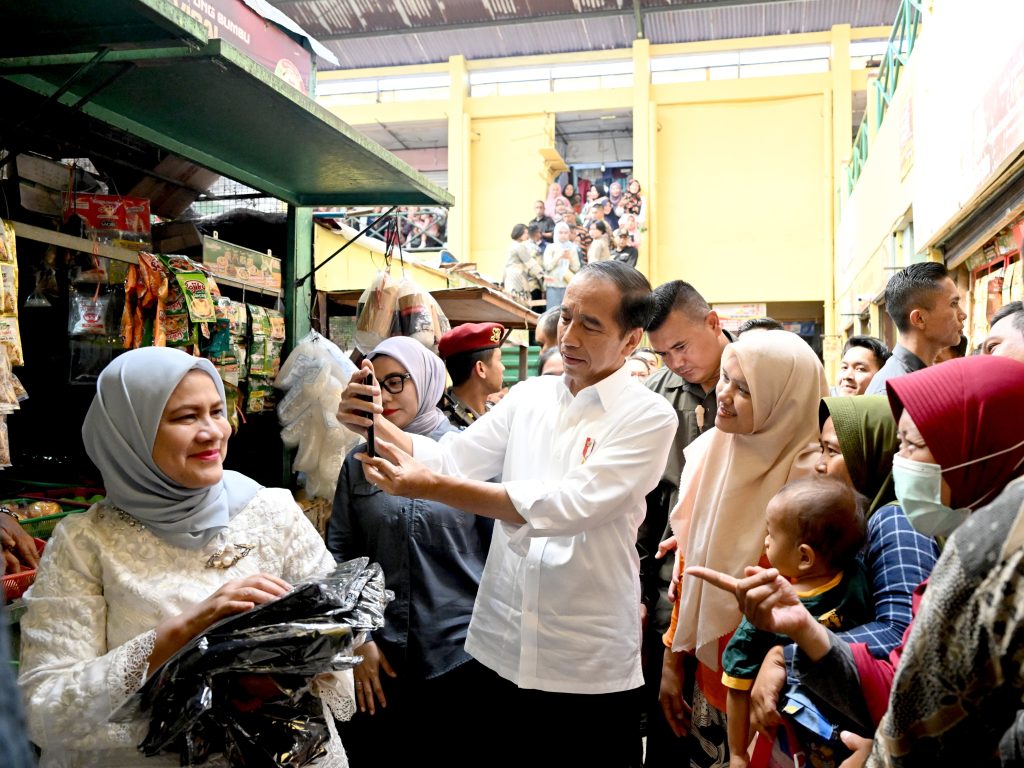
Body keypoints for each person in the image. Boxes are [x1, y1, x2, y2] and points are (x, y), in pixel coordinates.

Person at [337, 262, 678, 765]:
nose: (569, 334)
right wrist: (372, 425)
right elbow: (452, 457)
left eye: (591, 325)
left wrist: (432, 486)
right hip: (502, 644)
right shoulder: (529, 396)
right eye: (567, 317)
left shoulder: (648, 416)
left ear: (630, 342)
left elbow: (568, 505)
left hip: (584, 657)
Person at [18, 347, 352, 766]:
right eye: (185, 417)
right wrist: (189, 626)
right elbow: (45, 707)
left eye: (216, 411)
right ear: (130, 432)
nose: (213, 431)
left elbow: (340, 636)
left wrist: (279, 675)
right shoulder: (85, 544)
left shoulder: (272, 510)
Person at [710, 355, 1024, 768]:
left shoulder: (955, 542)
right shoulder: (972, 535)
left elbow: (908, 656)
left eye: (912, 445)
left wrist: (787, 655)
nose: (901, 462)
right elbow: (909, 677)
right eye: (898, 446)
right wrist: (803, 631)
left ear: (975, 446)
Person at [660, 330, 829, 767]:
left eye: (745, 388)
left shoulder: (813, 481)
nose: (724, 395)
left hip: (773, 689)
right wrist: (672, 663)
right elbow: (688, 570)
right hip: (712, 673)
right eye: (726, 379)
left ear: (784, 399)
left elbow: (818, 597)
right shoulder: (711, 453)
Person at [327, 337, 492, 767]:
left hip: (460, 654)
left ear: (426, 381)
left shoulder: (467, 454)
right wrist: (359, 638)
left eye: (396, 381)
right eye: (373, 384)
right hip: (379, 660)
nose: (383, 395)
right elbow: (341, 555)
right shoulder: (359, 461)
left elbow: (498, 556)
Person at [644, 280, 735, 767]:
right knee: (670, 736)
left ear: (713, 322)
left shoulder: (758, 377)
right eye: (662, 353)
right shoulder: (658, 396)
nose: (675, 362)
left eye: (681, 346)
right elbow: (645, 507)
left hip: (737, 599)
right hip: (670, 595)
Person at [722, 477, 871, 768]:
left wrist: (738, 753)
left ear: (804, 557)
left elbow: (738, 684)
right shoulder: (858, 578)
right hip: (853, 735)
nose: (765, 541)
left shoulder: (767, 610)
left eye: (771, 534)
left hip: (789, 742)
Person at [865, 263, 965, 394]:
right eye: (954, 304)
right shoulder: (892, 393)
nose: (963, 314)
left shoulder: (923, 375)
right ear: (919, 319)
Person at [438, 322, 509, 429]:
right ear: (481, 369)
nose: (503, 367)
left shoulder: (496, 414)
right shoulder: (447, 429)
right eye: (499, 360)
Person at [502, 223, 544, 310]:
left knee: (513, 305)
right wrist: (542, 275)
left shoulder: (511, 245)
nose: (527, 235)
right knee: (521, 306)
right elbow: (530, 263)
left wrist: (502, 282)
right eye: (525, 233)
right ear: (519, 233)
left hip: (510, 278)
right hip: (518, 278)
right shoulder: (519, 247)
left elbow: (505, 267)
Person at [542, 221, 581, 309]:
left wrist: (570, 259)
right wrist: (558, 257)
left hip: (568, 286)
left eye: (566, 233)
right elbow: (547, 267)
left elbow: (577, 268)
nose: (563, 235)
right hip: (553, 285)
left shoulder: (573, 248)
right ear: (556, 233)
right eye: (560, 232)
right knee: (552, 312)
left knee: (567, 312)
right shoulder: (550, 247)